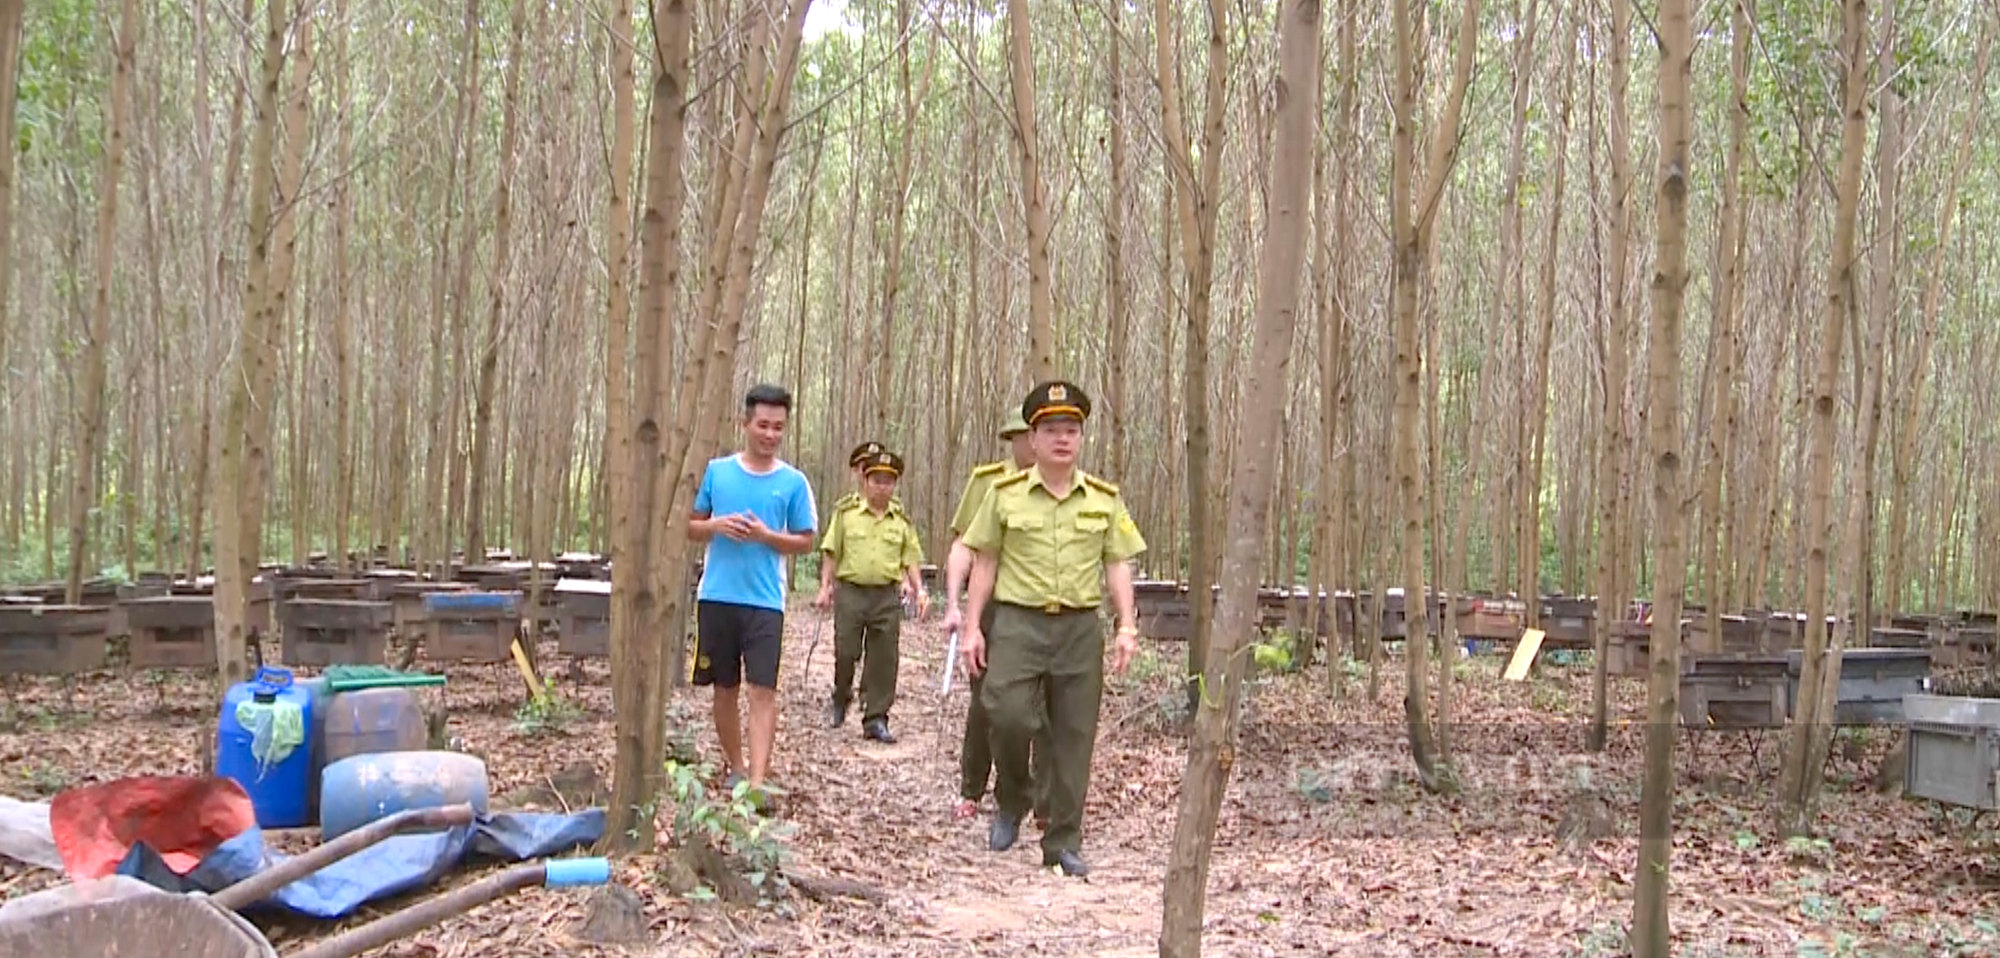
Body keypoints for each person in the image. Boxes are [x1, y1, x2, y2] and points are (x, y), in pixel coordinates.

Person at [961, 381, 1145, 878]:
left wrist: (1126, 625)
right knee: (1006, 712)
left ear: (1080, 438)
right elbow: (985, 562)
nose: (1063, 439)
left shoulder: (1103, 500)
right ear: (1033, 440)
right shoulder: (1004, 496)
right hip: (1018, 623)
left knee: (1073, 736)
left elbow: (1117, 564)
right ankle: (1012, 797)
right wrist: (972, 626)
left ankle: (1062, 840)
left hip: (1079, 629)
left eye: (1072, 430)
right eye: (1051, 430)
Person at [688, 383, 819, 804]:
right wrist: (717, 526)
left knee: (763, 690)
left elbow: (805, 540)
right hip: (717, 597)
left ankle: (758, 783)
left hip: (765, 601)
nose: (769, 434)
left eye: (778, 427)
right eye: (762, 425)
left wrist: (766, 535)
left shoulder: (793, 482)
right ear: (745, 423)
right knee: (724, 687)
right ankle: (736, 767)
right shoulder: (716, 471)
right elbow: (690, 525)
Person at [942, 410, 1050, 825]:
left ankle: (1042, 797)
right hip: (992, 607)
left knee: (1044, 707)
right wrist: (954, 603)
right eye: (1026, 435)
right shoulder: (989, 482)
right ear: (1016, 439)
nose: (1034, 443)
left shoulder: (1062, 482)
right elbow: (963, 545)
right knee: (988, 701)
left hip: (1041, 609)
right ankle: (973, 787)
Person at [814, 450, 927, 743]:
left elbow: (910, 558)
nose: (882, 487)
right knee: (846, 651)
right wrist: (825, 587)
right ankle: (841, 696)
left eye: (889, 481)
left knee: (884, 659)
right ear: (865, 481)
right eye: (877, 480)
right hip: (851, 592)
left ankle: (876, 718)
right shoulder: (846, 515)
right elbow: (831, 551)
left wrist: (919, 589)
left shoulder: (900, 521)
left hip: (885, 597)